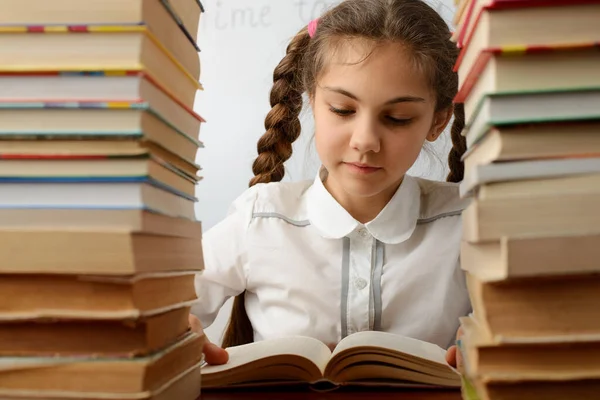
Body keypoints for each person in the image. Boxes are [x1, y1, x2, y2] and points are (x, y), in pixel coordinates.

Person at [190, 0, 470, 370]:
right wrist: (176, 331)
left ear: (437, 121)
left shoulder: (468, 223)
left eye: (398, 118)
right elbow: (158, 311)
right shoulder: (259, 218)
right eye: (342, 110)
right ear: (312, 101)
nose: (365, 140)